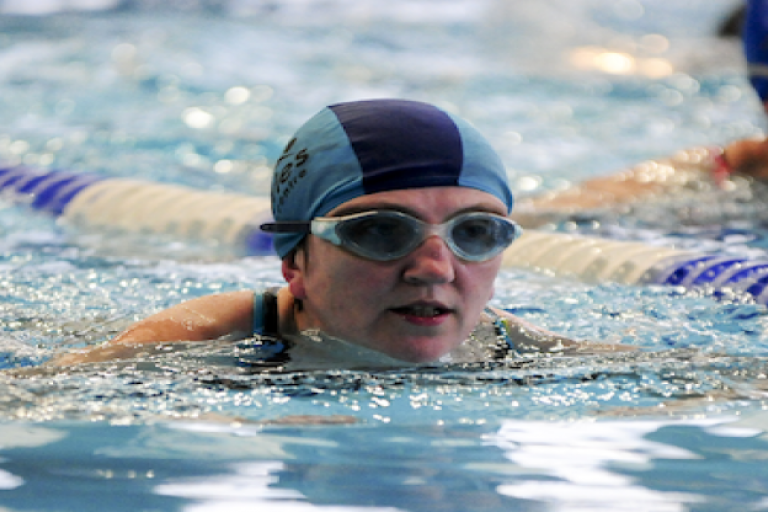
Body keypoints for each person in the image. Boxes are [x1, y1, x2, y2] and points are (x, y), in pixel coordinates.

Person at [53, 99, 627, 369]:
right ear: (293, 263)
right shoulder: (202, 340)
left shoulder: (519, 349)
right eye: (380, 231)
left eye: (475, 232)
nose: (435, 267)